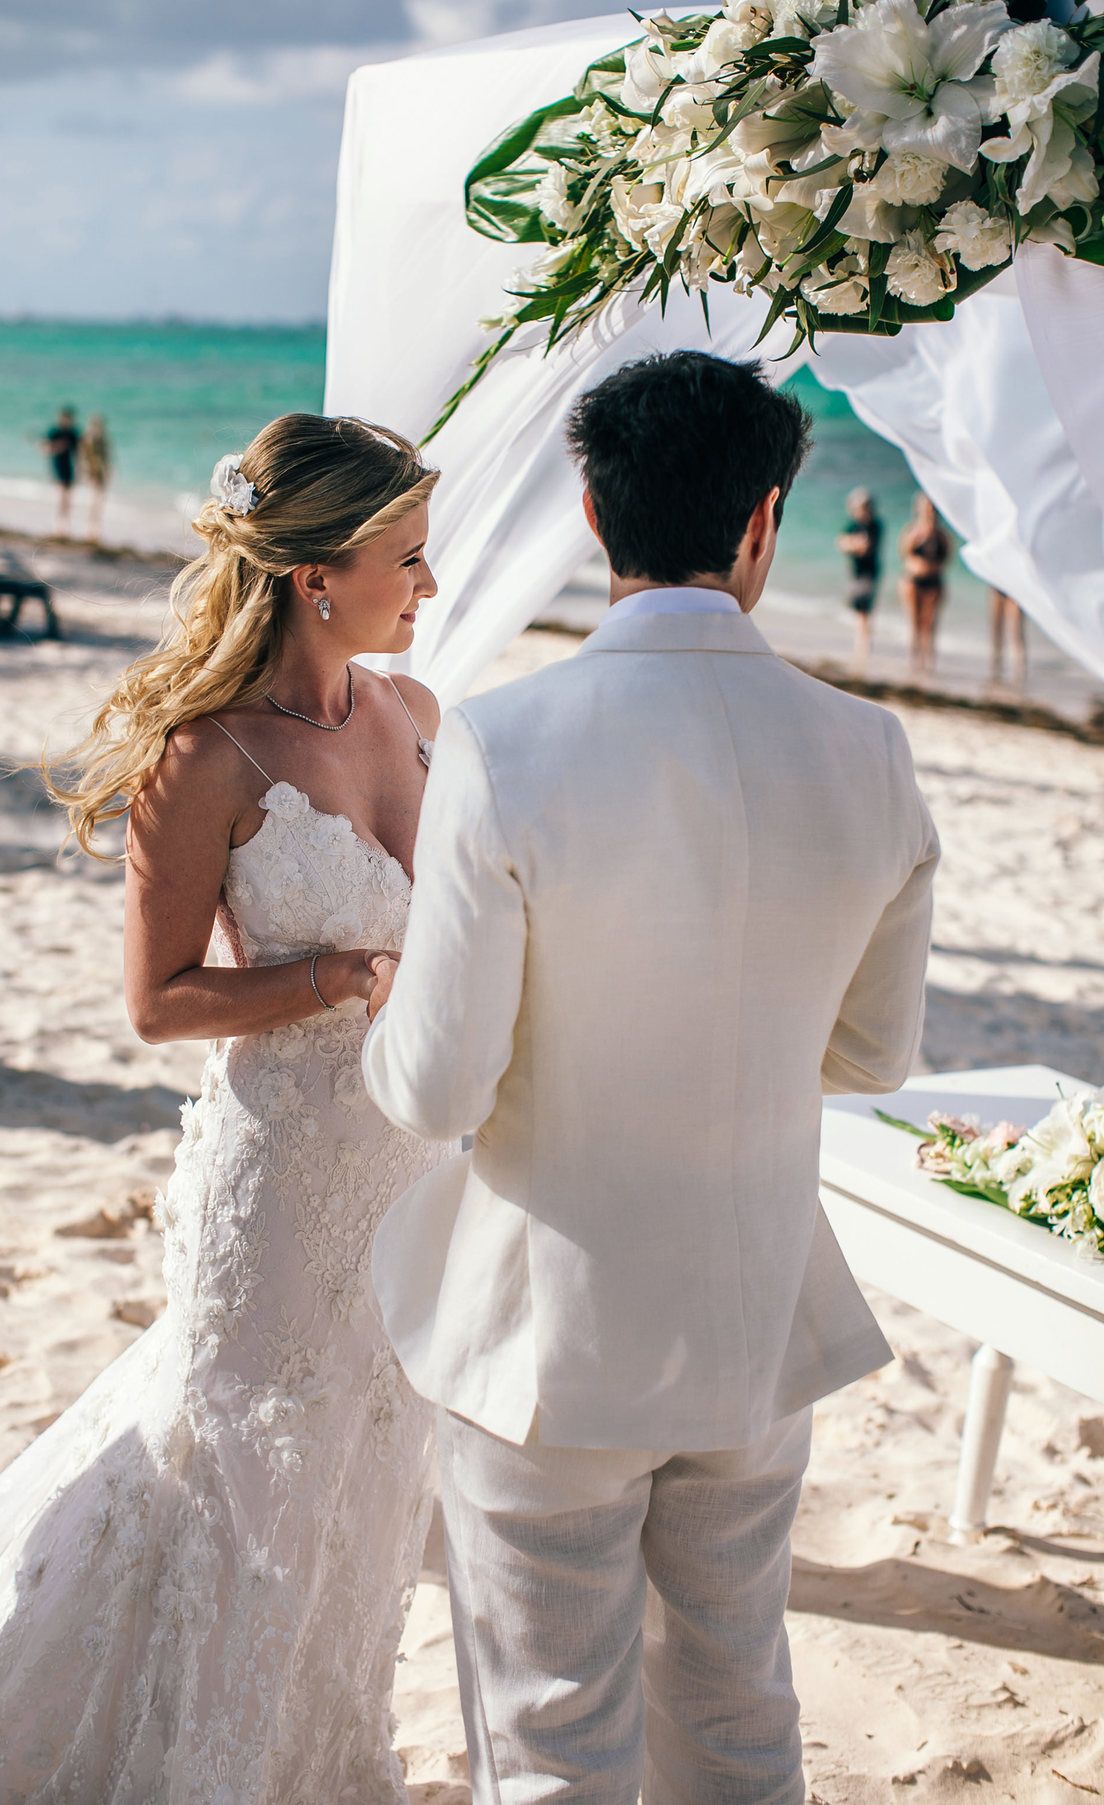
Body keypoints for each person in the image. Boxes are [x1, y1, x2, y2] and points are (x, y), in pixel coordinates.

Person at [362, 351, 939, 1805]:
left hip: (551, 1339)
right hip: (754, 1327)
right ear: (763, 522)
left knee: (556, 1737)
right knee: (739, 1709)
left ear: (590, 507)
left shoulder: (504, 738)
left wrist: (382, 1000)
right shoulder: (871, 749)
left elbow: (432, 1091)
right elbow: (875, 1053)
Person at [0, 413, 453, 1803]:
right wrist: (334, 973)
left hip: (408, 1175)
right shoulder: (204, 760)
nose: (431, 587)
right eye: (409, 557)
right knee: (248, 1494)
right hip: (277, 1186)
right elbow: (157, 1002)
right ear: (319, 573)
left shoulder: (418, 716)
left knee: (363, 1480)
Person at [898, 492, 950, 678]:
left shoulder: (941, 535)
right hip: (913, 581)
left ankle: (927, 661)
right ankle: (913, 660)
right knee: (914, 622)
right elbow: (904, 554)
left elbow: (946, 559)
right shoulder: (912, 531)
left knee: (930, 623)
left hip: (933, 581)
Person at [836, 485, 881, 673]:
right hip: (855, 572)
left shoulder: (874, 525)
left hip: (868, 572)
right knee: (857, 609)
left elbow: (864, 547)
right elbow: (840, 542)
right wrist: (853, 544)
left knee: (864, 609)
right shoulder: (854, 524)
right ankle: (860, 644)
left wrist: (851, 544)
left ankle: (863, 646)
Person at [45, 406, 79, 531]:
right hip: (57, 467)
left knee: (68, 497)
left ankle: (64, 523)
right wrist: (58, 447)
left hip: (70, 469)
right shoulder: (55, 432)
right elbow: (46, 449)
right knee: (61, 495)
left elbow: (78, 454)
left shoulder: (73, 433)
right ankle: (58, 523)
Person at [81, 413, 113, 540]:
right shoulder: (89, 440)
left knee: (99, 501)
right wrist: (89, 473)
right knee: (94, 501)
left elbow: (107, 459)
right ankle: (90, 529)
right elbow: (85, 459)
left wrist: (107, 472)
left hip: (101, 474)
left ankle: (95, 529)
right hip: (94, 474)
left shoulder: (103, 440)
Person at [988, 586, 1027, 688]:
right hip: (1000, 585)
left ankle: (1018, 675)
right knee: (998, 631)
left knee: (1015, 633)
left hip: (1013, 587)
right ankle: (996, 672)